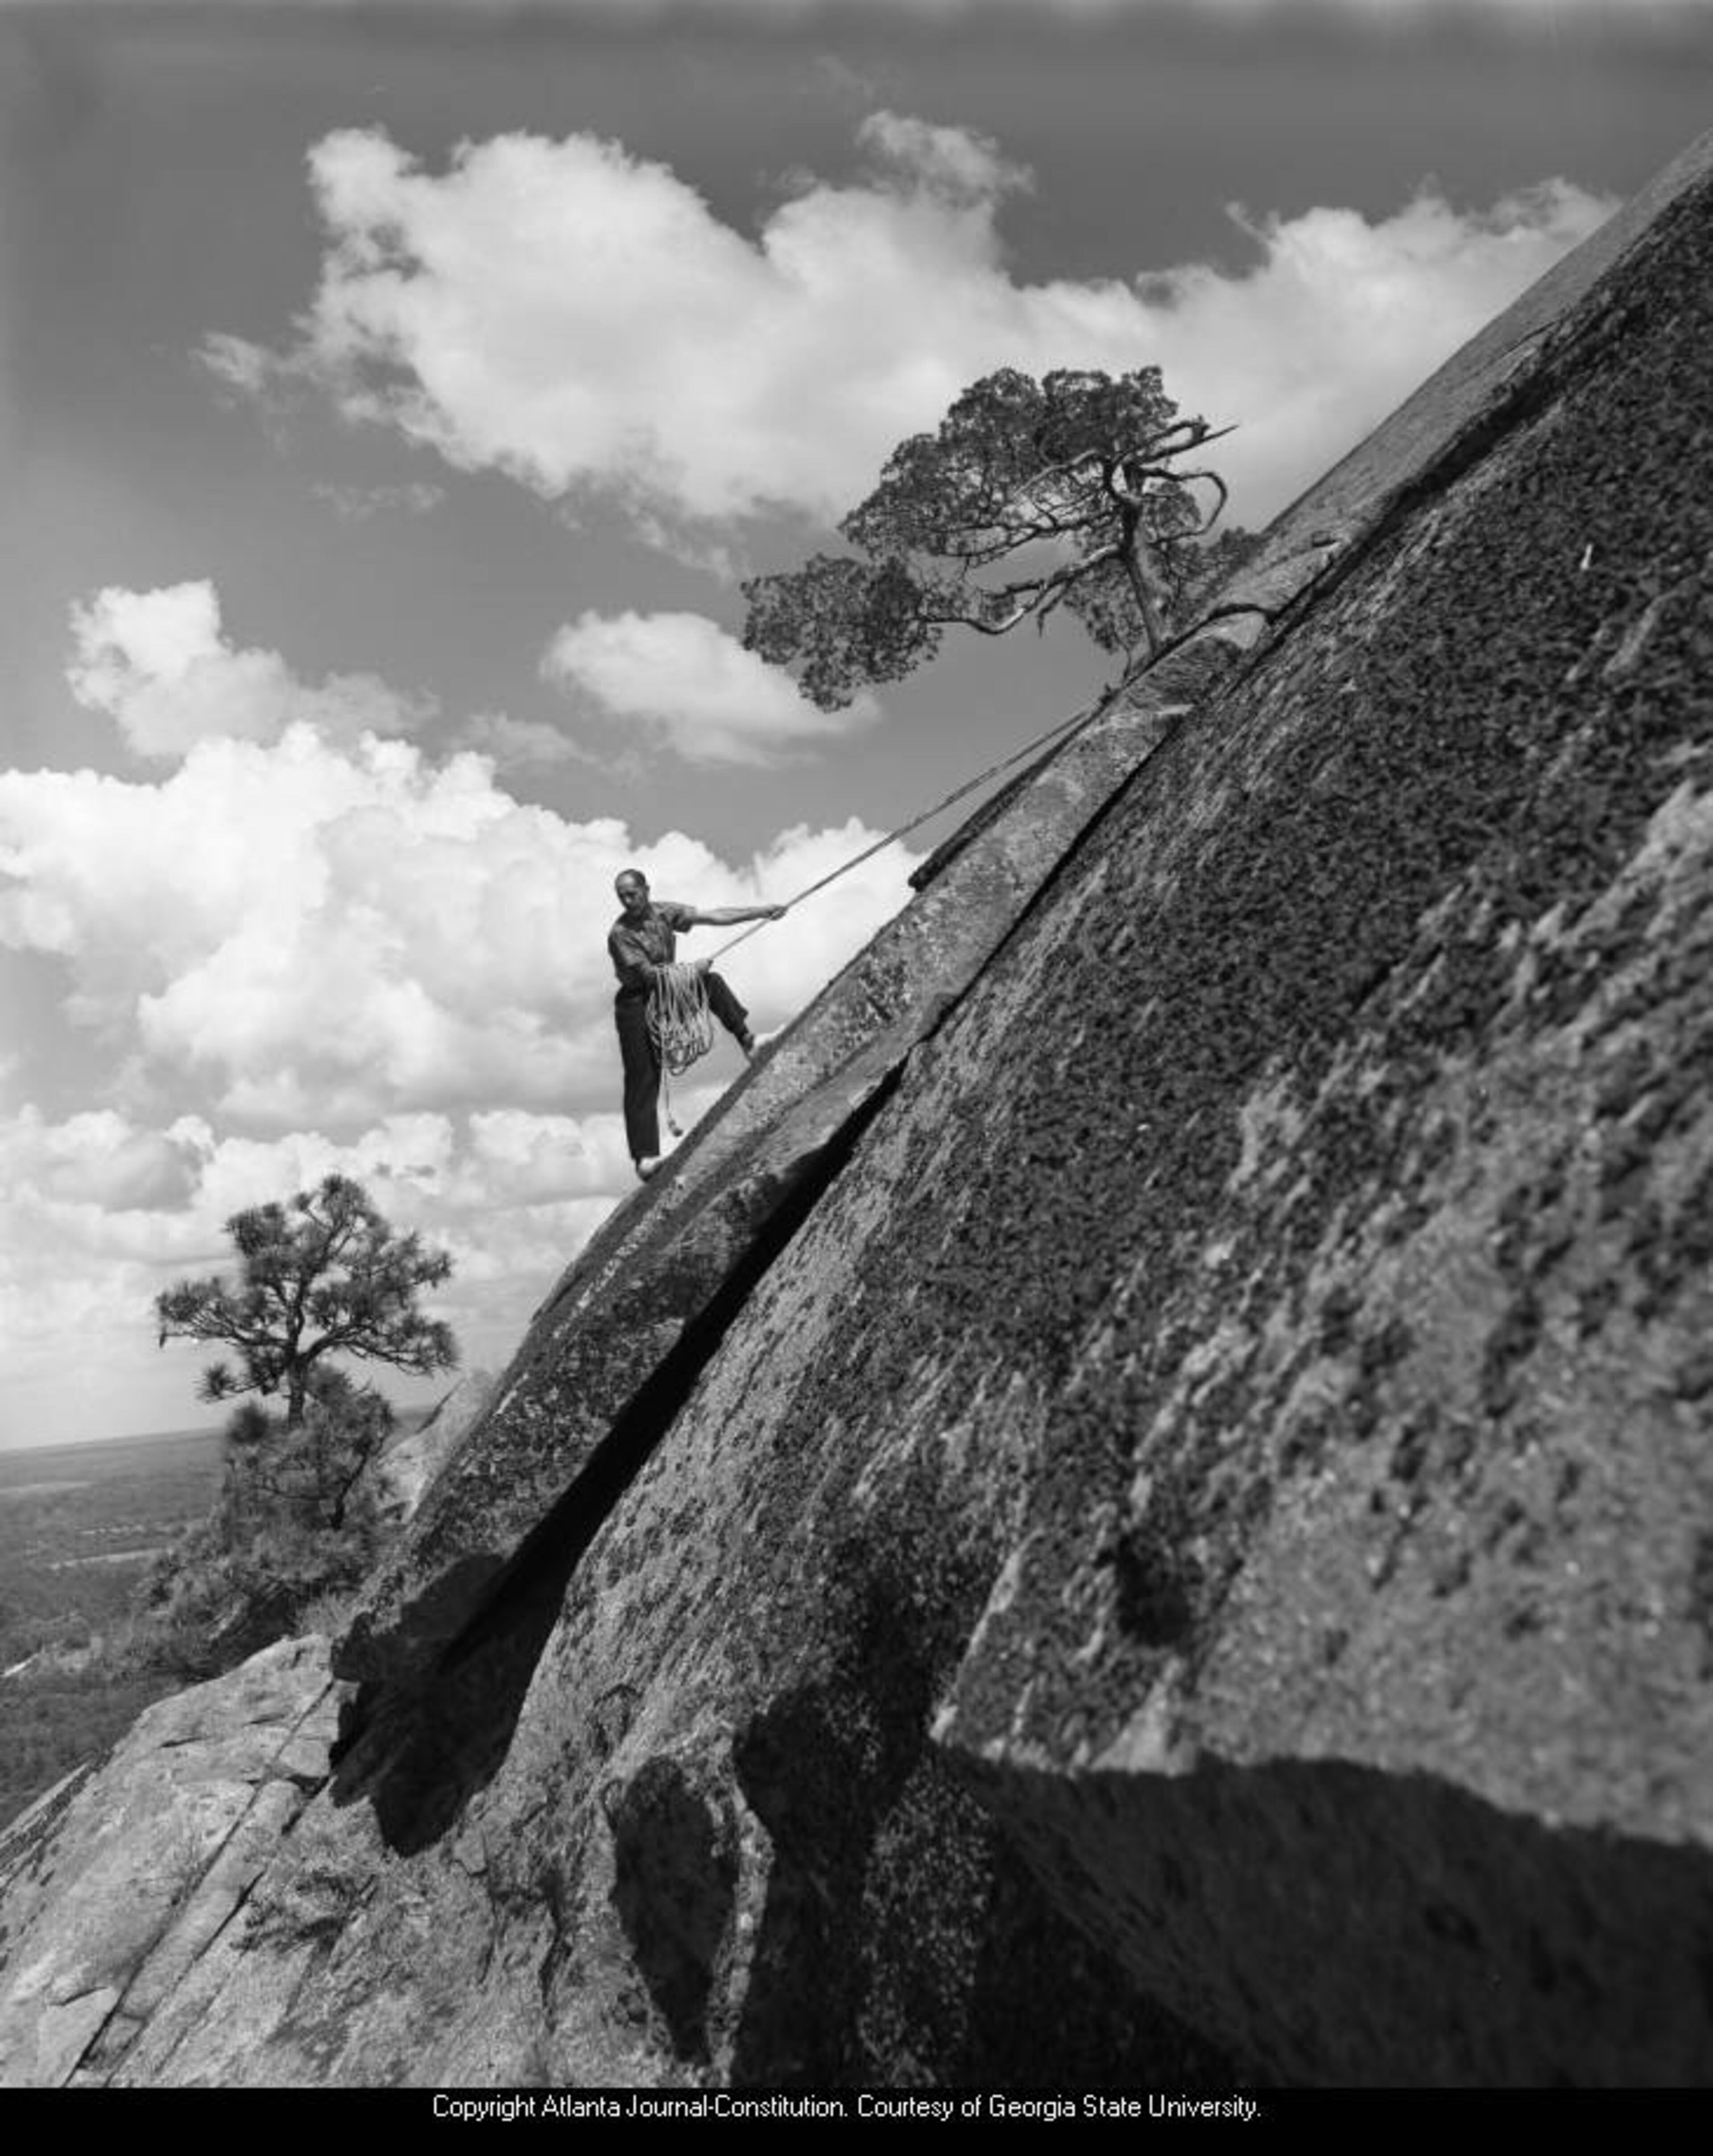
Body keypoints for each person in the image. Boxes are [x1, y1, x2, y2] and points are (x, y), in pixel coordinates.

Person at [608, 869, 786, 1181]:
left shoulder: (664, 912)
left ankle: (749, 1043)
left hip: (666, 989)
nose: (627, 900)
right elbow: (650, 976)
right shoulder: (620, 933)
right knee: (643, 1076)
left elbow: (714, 916)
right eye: (621, 895)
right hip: (636, 1003)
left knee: (711, 983)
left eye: (632, 893)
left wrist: (761, 912)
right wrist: (693, 969)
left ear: (647, 890)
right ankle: (645, 1159)